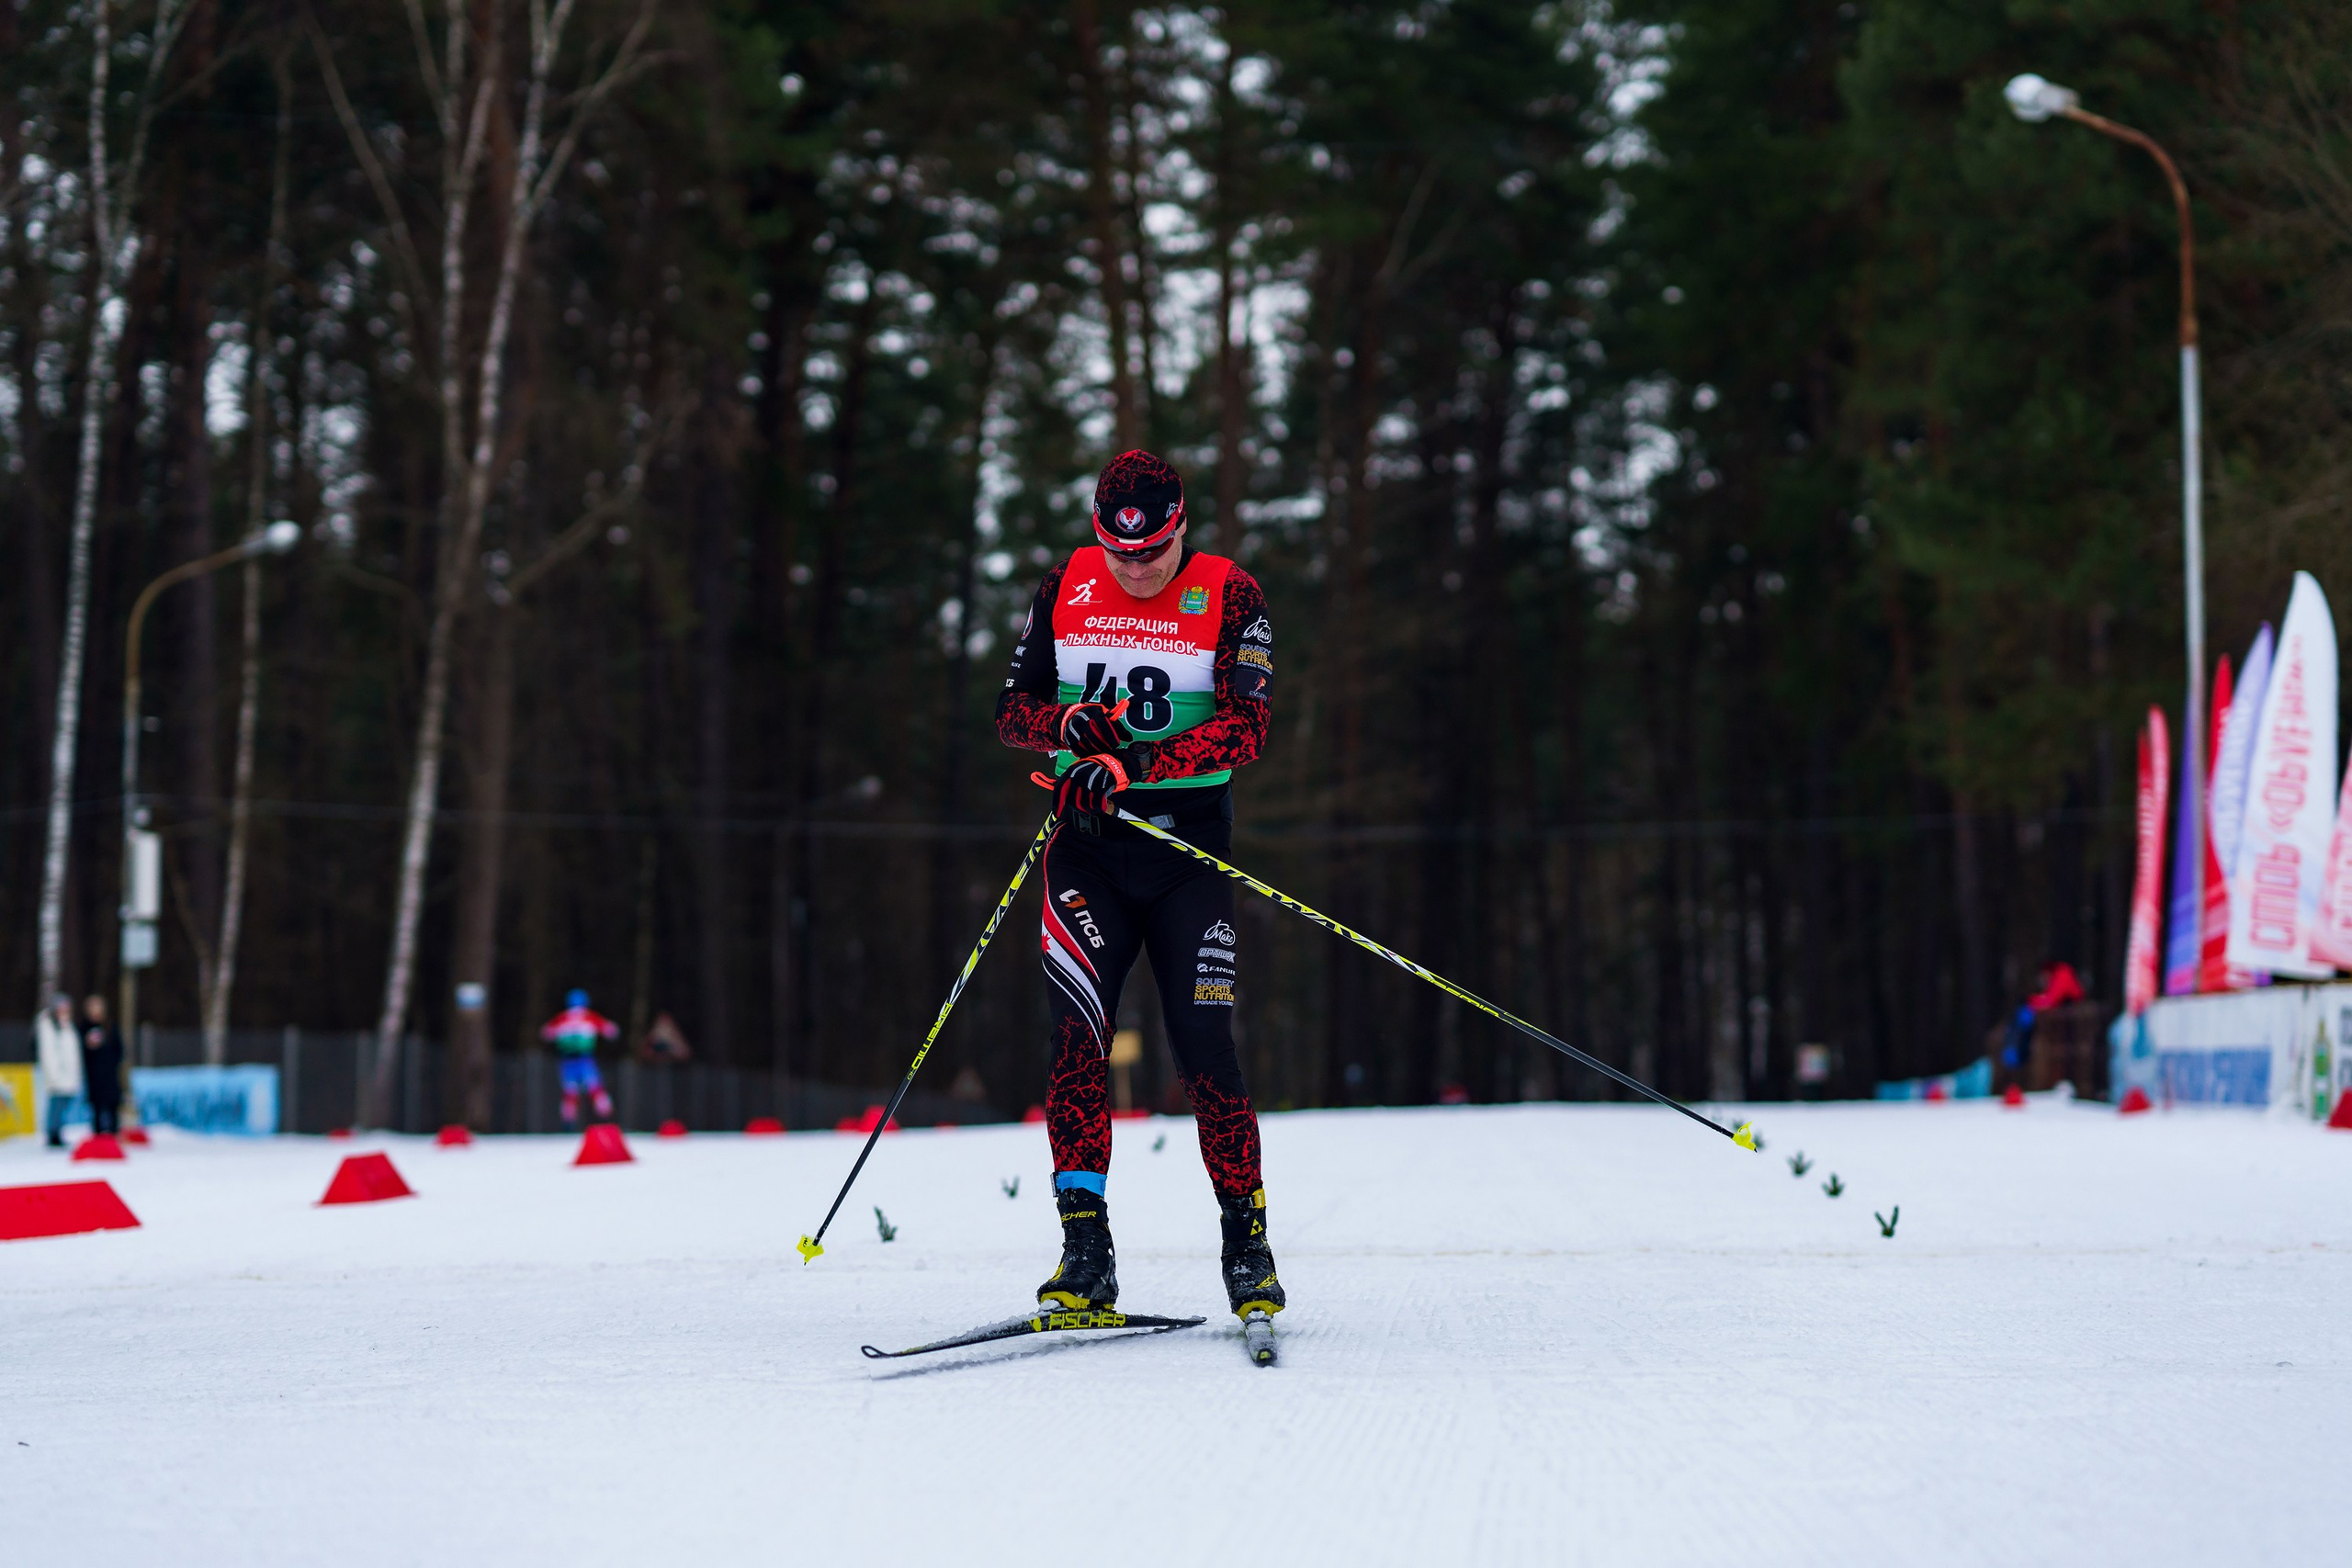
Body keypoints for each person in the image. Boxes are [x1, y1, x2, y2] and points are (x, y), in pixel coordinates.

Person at [996, 449, 1283, 1325]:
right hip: (1086, 850)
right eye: (1120, 555)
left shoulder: (1233, 593)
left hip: (1187, 852)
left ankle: (1247, 1244)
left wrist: (1138, 764)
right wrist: (1065, 724)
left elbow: (1249, 727)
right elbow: (1013, 710)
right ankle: (1085, 1252)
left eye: (1153, 552)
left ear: (1182, 526)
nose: (1136, 568)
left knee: (1204, 1049)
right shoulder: (1065, 584)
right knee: (1077, 1043)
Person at [541, 990, 618, 1129]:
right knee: (595, 1088)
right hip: (585, 1060)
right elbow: (611, 1030)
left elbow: (546, 1032)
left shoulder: (562, 1018)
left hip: (567, 1061)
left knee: (570, 1091)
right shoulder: (590, 1017)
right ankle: (607, 1117)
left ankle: (568, 1123)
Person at [34, 994, 80, 1147]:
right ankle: (53, 1134)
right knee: (56, 1105)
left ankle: (58, 1132)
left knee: (63, 1105)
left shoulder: (67, 1025)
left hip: (68, 1075)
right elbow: (48, 1052)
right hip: (57, 1075)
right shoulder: (48, 1025)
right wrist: (54, 1074)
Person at [79, 995, 125, 1138]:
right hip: (94, 1075)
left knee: (113, 1105)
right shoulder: (83, 1028)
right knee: (97, 1107)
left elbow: (119, 1049)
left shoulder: (110, 1026)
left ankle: (114, 1134)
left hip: (110, 1074)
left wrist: (112, 1062)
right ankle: (97, 1137)